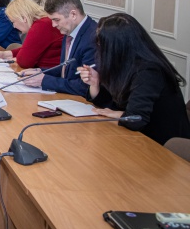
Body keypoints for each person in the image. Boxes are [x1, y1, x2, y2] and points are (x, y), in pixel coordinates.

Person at [78, 13, 190, 145]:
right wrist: (95, 83)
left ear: (117, 47)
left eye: (101, 43)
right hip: (135, 137)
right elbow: (110, 104)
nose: (99, 47)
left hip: (161, 144)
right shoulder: (124, 64)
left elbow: (136, 119)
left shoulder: (149, 71)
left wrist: (116, 114)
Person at [22, 0, 96, 97]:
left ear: (73, 14)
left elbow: (85, 86)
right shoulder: (69, 30)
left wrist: (44, 80)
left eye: (56, 20)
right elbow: (66, 71)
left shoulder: (93, 38)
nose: (53, 25)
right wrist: (40, 71)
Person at [0, 0, 63, 69]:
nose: (14, 26)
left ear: (23, 18)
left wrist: (17, 58)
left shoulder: (41, 25)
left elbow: (24, 62)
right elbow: (29, 49)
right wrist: (4, 54)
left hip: (50, 72)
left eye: (13, 22)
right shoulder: (43, 22)